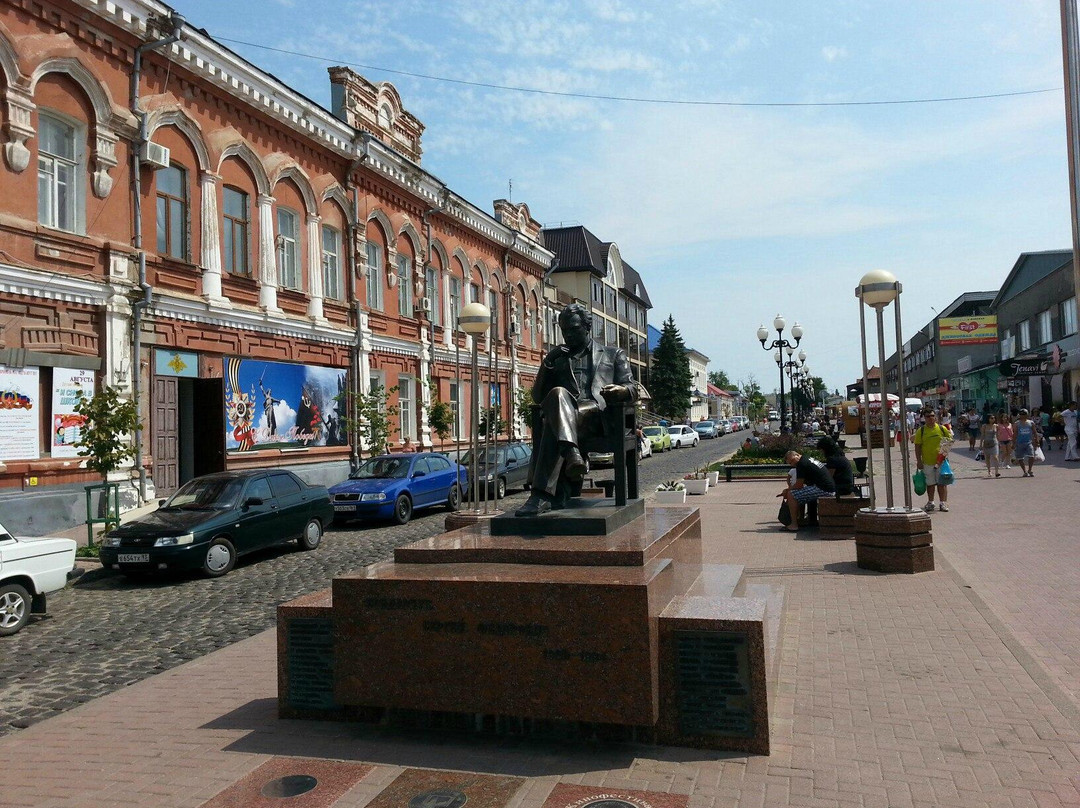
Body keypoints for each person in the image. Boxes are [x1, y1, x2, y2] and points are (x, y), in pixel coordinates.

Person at [516, 303, 637, 516]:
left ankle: (540, 496)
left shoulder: (613, 354)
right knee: (558, 395)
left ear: (587, 327)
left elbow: (633, 388)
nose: (569, 335)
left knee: (552, 423)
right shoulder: (558, 359)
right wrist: (548, 362)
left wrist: (621, 390)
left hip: (598, 418)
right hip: (569, 419)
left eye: (574, 329)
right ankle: (572, 453)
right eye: (564, 330)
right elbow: (537, 397)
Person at [778, 450, 835, 531]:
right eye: (790, 463)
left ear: (797, 455)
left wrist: (787, 490)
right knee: (797, 493)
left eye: (792, 461)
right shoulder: (807, 459)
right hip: (827, 487)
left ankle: (794, 525)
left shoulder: (801, 464)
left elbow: (799, 485)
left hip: (824, 489)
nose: (793, 464)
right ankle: (800, 519)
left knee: (792, 494)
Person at [914, 408, 953, 512]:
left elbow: (949, 441)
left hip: (941, 462)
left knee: (942, 483)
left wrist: (944, 453)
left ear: (935, 417)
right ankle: (931, 502)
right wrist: (919, 461)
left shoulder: (941, 429)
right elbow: (917, 446)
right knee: (930, 484)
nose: (931, 418)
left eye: (932, 416)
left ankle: (943, 503)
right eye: (928, 416)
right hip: (927, 462)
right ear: (924, 418)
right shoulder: (921, 431)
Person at [1012, 409, 1041, 477]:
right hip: (1019, 443)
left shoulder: (1031, 423)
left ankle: (1030, 470)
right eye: (1022, 414)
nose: (1023, 416)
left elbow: (1034, 432)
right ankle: (1024, 471)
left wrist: (1037, 441)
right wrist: (1013, 443)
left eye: (1024, 414)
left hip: (1029, 442)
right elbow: (1015, 434)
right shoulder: (1017, 423)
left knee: (1031, 456)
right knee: (1020, 458)